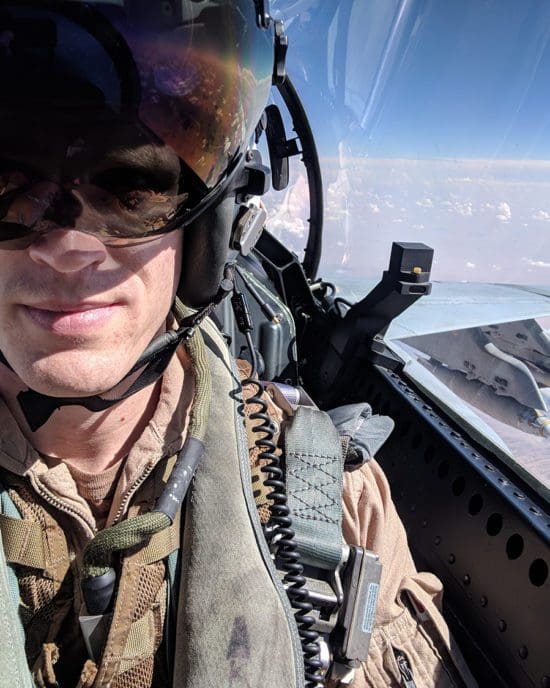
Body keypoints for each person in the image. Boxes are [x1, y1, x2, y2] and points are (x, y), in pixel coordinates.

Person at [0, 2, 477, 687]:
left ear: (206, 228)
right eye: (7, 186)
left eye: (132, 187)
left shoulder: (331, 508)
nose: (71, 249)